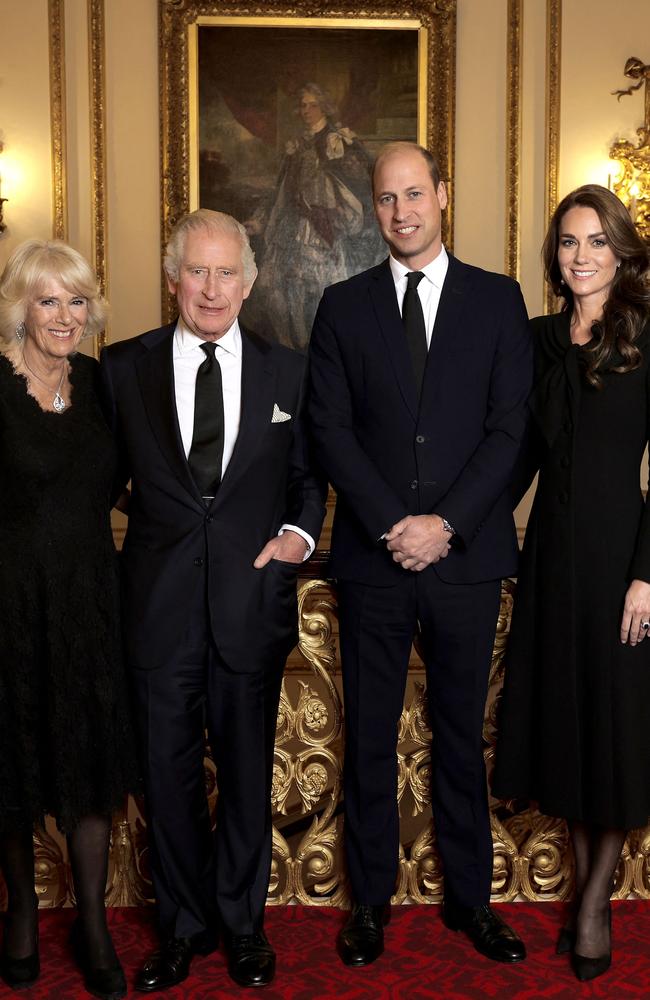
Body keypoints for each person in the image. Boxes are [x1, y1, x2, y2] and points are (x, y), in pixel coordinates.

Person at [308, 141, 532, 968]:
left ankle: (470, 901)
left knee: (458, 736)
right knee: (366, 735)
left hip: (466, 562)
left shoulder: (498, 300)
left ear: (443, 192)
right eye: (385, 199)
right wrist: (393, 524)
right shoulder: (342, 305)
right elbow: (329, 430)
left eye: (414, 194)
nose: (401, 211)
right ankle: (368, 903)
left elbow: (511, 431)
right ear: (373, 208)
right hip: (373, 563)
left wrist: (445, 525)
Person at [99, 209, 325, 991]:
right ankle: (181, 929)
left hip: (247, 608)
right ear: (172, 279)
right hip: (157, 612)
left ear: (251, 282)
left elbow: (306, 478)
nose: (212, 288)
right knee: (167, 786)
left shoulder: (286, 372)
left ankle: (241, 927)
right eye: (197, 271)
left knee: (245, 779)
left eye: (227, 272)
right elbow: (94, 476)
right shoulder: (121, 366)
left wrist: (295, 536)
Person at [493, 184, 650, 982]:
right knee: (575, 733)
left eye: (595, 242)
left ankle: (592, 906)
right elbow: (513, 453)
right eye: (567, 243)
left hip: (625, 564)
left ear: (621, 253)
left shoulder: (647, 337)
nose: (581, 256)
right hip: (551, 560)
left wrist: (647, 577)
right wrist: (449, 518)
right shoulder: (538, 340)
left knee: (615, 735)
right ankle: (591, 892)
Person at [0, 240, 138, 1000]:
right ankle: (20, 910)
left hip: (90, 600)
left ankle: (92, 921)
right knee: (14, 761)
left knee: (89, 765)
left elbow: (127, 483)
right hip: (11, 604)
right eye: (48, 300)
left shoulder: (98, 383)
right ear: (22, 305)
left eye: (77, 301)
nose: (64, 316)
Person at [248, 82, 384, 350]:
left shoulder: (339, 139)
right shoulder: (296, 145)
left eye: (312, 104)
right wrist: (260, 220)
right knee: (279, 288)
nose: (306, 110)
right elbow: (281, 188)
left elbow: (363, 182)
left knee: (324, 290)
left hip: (326, 225)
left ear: (324, 106)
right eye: (303, 105)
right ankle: (293, 351)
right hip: (293, 224)